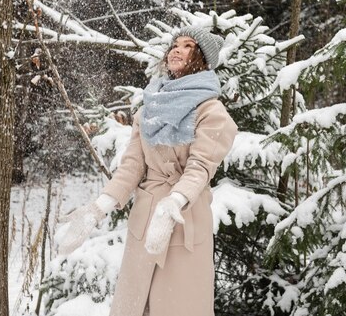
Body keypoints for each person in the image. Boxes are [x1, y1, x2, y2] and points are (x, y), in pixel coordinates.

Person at [57, 26, 238, 316]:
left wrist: (174, 202)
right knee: (135, 306)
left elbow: (200, 168)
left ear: (202, 58)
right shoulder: (149, 108)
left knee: (179, 306)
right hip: (146, 219)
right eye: (174, 45)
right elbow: (132, 166)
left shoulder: (211, 112)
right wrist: (98, 208)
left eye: (188, 46)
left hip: (184, 219)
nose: (177, 50)